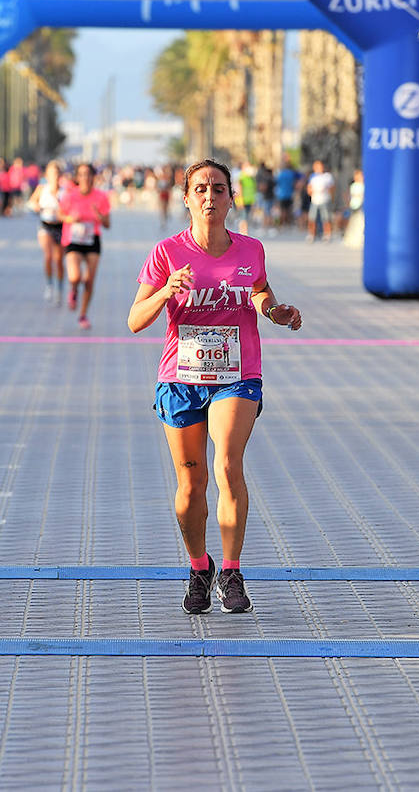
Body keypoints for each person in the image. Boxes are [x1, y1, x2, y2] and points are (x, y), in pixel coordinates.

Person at [127, 158, 304, 615]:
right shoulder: (166, 253)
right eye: (200, 189)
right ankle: (198, 566)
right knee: (191, 483)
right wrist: (166, 291)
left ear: (231, 197)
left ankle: (231, 570)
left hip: (237, 374)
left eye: (218, 188)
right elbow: (134, 321)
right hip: (181, 378)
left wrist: (275, 311)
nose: (210, 196)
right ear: (186, 198)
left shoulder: (250, 250)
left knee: (227, 466)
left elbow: (260, 290)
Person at [58, 162, 111, 330]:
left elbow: (108, 224)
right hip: (73, 240)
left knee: (89, 280)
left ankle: (83, 314)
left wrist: (99, 216)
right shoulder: (69, 195)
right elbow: (60, 215)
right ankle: (73, 290)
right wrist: (69, 219)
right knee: (74, 276)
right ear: (77, 177)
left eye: (88, 174)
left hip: (92, 240)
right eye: (81, 174)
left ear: (93, 177)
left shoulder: (101, 197)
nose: (85, 178)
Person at [28, 160, 66, 303]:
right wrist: (36, 206)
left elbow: (69, 208)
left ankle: (60, 288)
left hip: (60, 227)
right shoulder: (42, 189)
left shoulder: (64, 191)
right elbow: (31, 203)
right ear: (47, 175)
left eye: (57, 173)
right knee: (48, 256)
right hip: (45, 226)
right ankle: (49, 285)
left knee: (58, 260)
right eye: (52, 173)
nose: (55, 176)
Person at [306, 159, 336, 241]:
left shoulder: (327, 176)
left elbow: (332, 188)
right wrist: (312, 192)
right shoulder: (312, 177)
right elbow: (309, 188)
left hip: (325, 200)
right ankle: (311, 234)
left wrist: (330, 197)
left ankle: (327, 234)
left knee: (326, 218)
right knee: (312, 218)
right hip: (315, 200)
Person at [273, 155, 298, 230]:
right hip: (289, 194)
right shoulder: (291, 174)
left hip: (282, 194)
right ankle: (288, 223)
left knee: (282, 210)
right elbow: (294, 183)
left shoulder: (281, 174)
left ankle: (282, 224)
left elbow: (277, 183)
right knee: (289, 209)